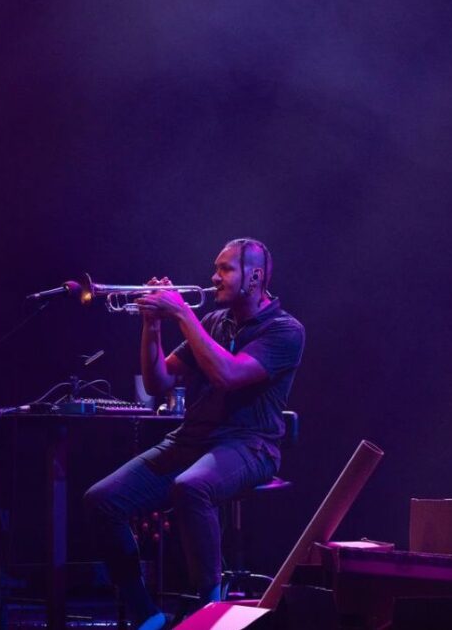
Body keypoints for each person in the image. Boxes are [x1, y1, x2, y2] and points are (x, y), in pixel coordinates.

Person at [83, 238, 305, 629]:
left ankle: (210, 614)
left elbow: (229, 373)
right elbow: (157, 382)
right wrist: (151, 326)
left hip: (250, 444)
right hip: (192, 440)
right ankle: (146, 616)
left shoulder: (286, 330)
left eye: (224, 269)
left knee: (191, 487)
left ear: (254, 277)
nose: (213, 277)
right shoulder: (215, 322)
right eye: (215, 269)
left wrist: (182, 312)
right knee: (102, 501)